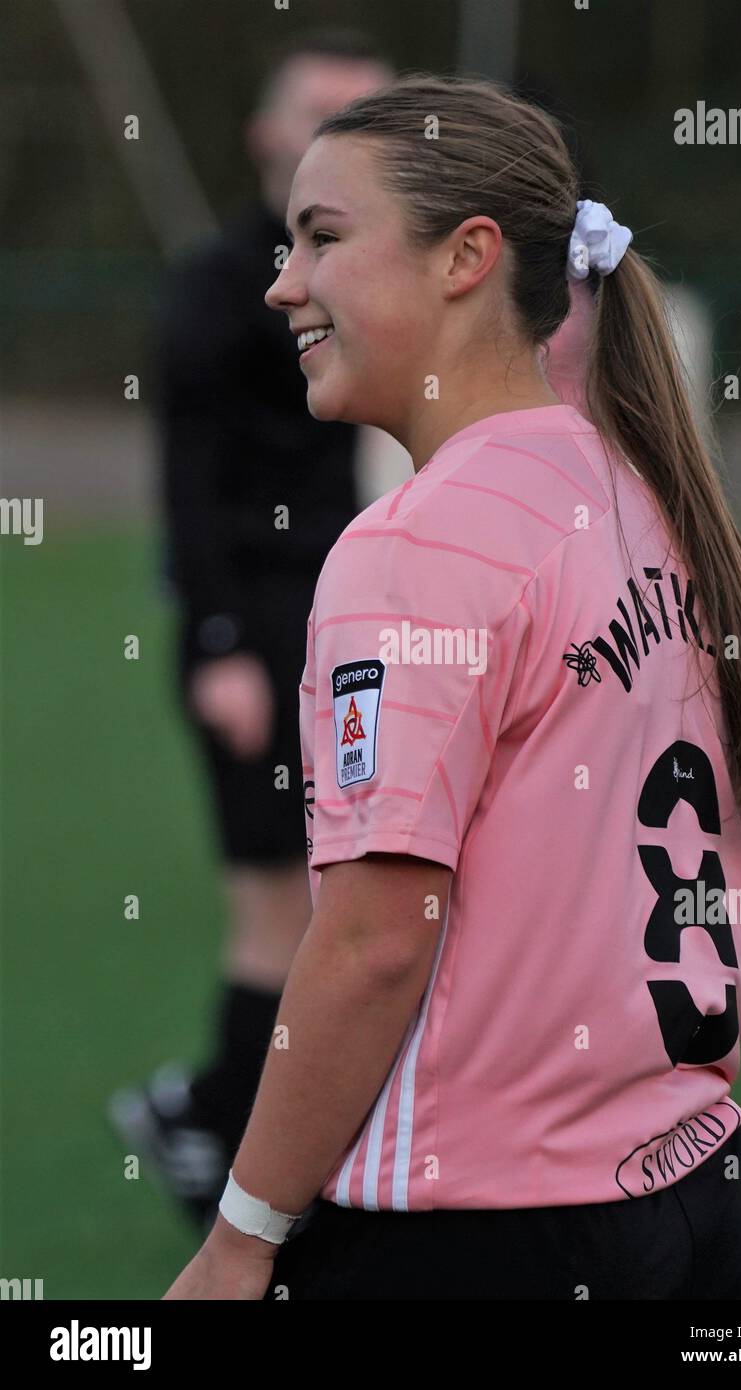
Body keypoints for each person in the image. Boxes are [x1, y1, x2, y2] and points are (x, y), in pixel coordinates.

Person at [163, 73, 741, 1301]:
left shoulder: (417, 544)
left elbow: (370, 941)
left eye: (323, 238)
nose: (281, 283)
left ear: (466, 256)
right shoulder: (646, 500)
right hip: (690, 1198)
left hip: (479, 1230)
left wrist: (242, 1234)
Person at [108, 29, 395, 1231]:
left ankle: (227, 1128)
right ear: (267, 138)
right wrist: (221, 641)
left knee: (339, 907)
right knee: (282, 912)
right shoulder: (221, 289)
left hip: (340, 621)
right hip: (251, 631)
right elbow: (185, 486)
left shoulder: (365, 277)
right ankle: (223, 1140)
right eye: (322, 117)